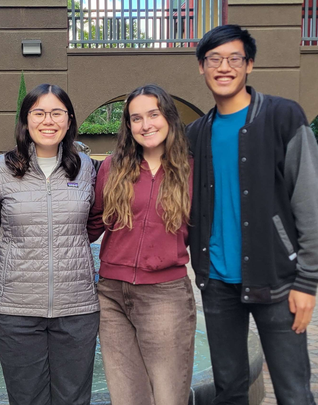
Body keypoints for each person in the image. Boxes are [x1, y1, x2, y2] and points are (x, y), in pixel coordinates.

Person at [187, 24, 318, 404]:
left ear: (249, 64)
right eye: (214, 59)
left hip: (278, 282)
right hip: (217, 284)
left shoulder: (283, 116)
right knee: (229, 390)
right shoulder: (196, 133)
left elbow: (312, 203)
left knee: (293, 392)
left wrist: (307, 283)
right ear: (201, 67)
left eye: (234, 58)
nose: (224, 67)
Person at [0, 84, 99, 405]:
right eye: (39, 113)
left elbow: (93, 223)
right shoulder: (1, 169)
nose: (48, 121)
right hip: (16, 310)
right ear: (25, 120)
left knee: (74, 400)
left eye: (57, 113)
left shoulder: (85, 168)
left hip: (76, 308)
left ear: (69, 119)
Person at [88, 84, 196, 405]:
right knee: (127, 397)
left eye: (153, 115)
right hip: (111, 295)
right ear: (128, 125)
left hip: (165, 295)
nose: (146, 125)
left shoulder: (192, 170)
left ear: (169, 118)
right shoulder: (112, 167)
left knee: (168, 396)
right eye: (136, 118)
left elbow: (207, 230)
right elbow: (93, 223)